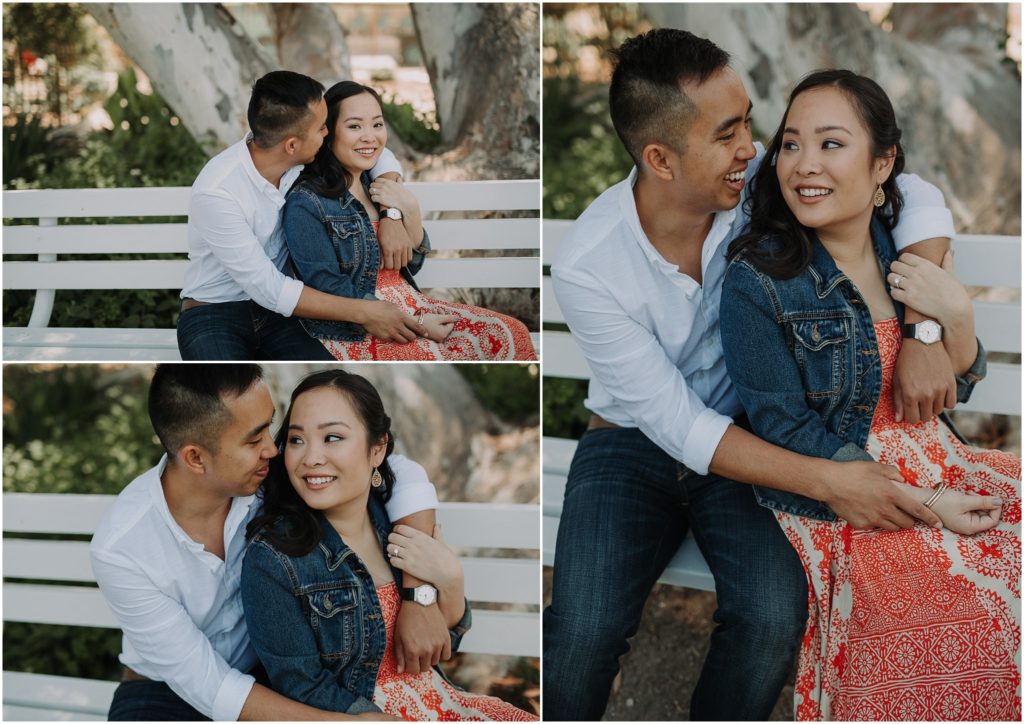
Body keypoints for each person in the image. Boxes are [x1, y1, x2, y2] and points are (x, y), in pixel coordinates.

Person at [545, 28, 962, 720]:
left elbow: (912, 188)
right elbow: (677, 425)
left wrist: (922, 328)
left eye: (749, 124)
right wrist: (835, 480)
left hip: (759, 437)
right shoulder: (589, 263)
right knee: (580, 635)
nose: (754, 147)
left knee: (771, 618)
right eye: (729, 132)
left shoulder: (760, 180)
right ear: (660, 158)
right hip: (631, 445)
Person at [720, 69, 1020, 720]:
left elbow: (955, 386)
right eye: (792, 145)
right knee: (968, 617)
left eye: (831, 144)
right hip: (843, 491)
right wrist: (922, 500)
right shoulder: (760, 280)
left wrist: (949, 322)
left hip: (944, 460)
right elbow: (783, 428)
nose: (804, 165)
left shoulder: (905, 255)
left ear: (883, 163)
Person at [90, 364, 451, 721]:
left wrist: (418, 595)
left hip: (275, 676)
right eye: (254, 438)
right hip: (165, 692)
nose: (273, 449)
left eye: (271, 429)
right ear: (196, 458)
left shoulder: (269, 474)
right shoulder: (123, 549)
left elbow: (399, 470)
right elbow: (209, 687)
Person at [240, 369, 537, 720]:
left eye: (332, 437)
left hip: (439, 700)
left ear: (377, 448)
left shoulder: (395, 521)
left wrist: (449, 583)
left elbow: (439, 645)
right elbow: (301, 685)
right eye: (296, 439)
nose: (310, 458)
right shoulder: (273, 558)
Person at [178, 70, 426, 361]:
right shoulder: (218, 192)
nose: (328, 133)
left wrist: (391, 214)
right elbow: (270, 289)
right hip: (215, 313)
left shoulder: (296, 158)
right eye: (323, 128)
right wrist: (366, 311)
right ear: (292, 145)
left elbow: (380, 152)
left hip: (285, 313)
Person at [281, 81, 537, 361]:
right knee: (429, 354)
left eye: (377, 124)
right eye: (355, 126)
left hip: (412, 305)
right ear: (328, 134)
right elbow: (327, 286)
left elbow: (410, 261)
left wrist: (409, 209)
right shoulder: (306, 202)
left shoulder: (377, 184)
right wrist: (416, 325)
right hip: (356, 325)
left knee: (509, 332)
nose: (370, 137)